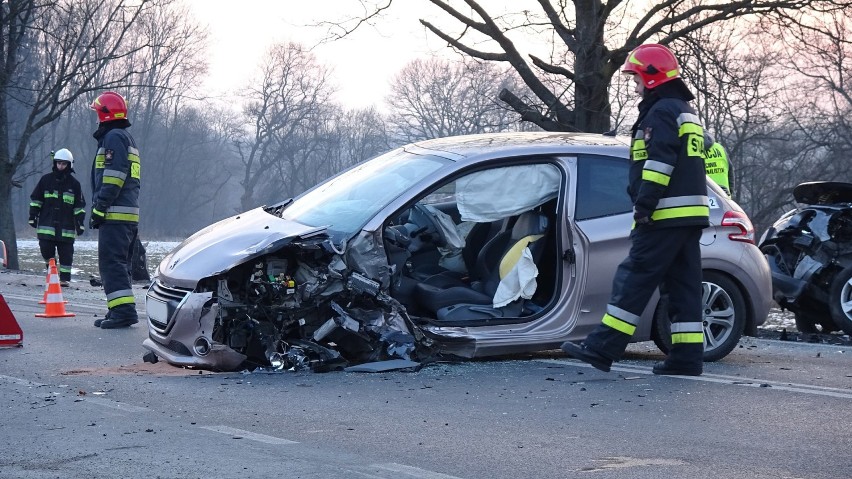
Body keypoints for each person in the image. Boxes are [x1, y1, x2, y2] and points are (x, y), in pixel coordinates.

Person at [561, 43, 710, 376]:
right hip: (690, 215)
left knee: (634, 277)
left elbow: (660, 163)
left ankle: (601, 348)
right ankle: (686, 359)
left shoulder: (660, 113)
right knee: (682, 286)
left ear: (652, 77)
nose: (635, 85)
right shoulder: (684, 110)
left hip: (665, 214)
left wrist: (644, 205)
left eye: (637, 79)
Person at [88, 91, 142, 329]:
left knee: (111, 263)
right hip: (125, 214)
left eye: (97, 113)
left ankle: (123, 312)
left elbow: (113, 177)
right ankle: (117, 309)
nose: (96, 119)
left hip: (115, 214)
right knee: (119, 263)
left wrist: (100, 207)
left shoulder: (114, 138)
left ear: (104, 114)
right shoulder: (124, 138)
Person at [28, 149, 86, 287]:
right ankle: (52, 274)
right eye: (59, 163)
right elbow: (36, 199)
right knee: (46, 250)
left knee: (66, 254)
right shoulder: (45, 181)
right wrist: (33, 216)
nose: (61, 166)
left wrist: (80, 223)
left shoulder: (74, 185)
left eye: (64, 164)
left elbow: (79, 206)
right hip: (46, 226)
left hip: (66, 228)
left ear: (69, 165)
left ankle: (64, 279)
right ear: (55, 163)